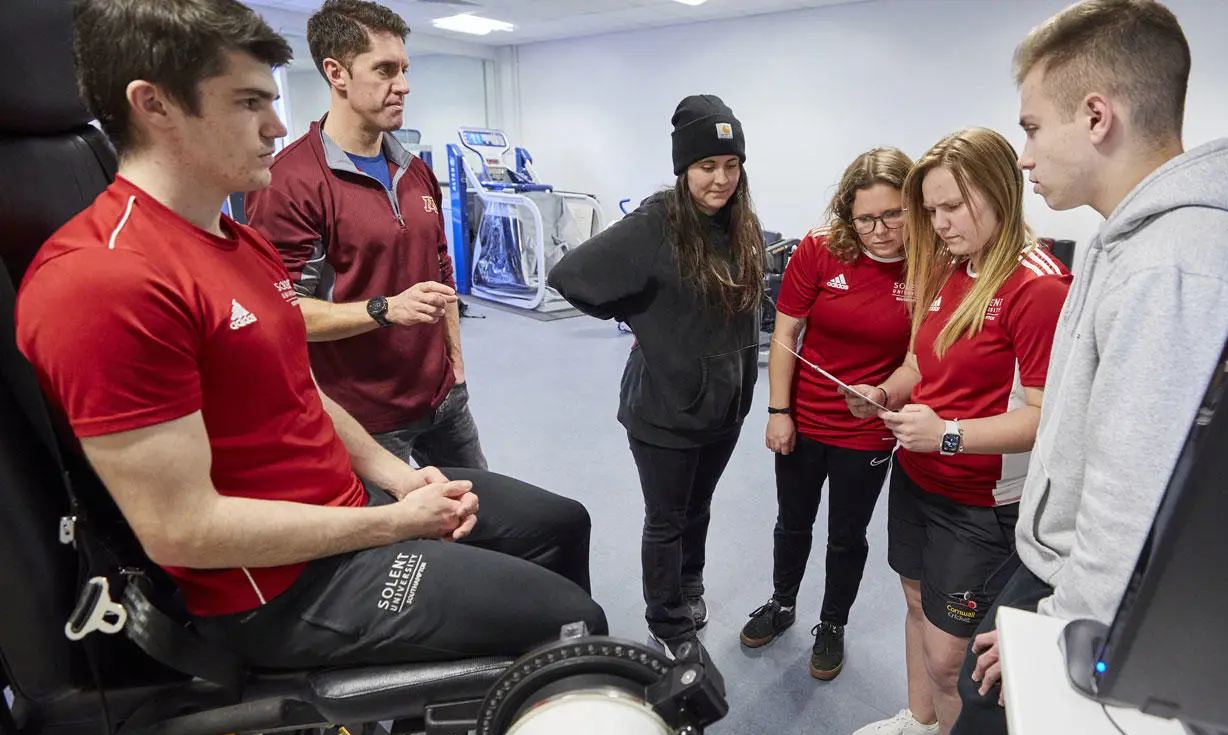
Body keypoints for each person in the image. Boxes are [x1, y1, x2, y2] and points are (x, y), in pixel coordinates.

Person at [16, 0, 606, 670]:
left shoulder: (235, 241)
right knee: (573, 621)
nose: (275, 126)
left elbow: (297, 387)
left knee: (558, 524)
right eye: (248, 103)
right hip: (279, 589)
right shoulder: (101, 279)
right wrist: (392, 523)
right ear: (154, 106)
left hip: (348, 506)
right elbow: (184, 530)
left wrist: (398, 479)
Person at [945, 2, 1228, 735]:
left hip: (1083, 592)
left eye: (1032, 127)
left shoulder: (1175, 257)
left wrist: (1060, 628)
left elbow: (1132, 471)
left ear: (1095, 115)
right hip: (1063, 565)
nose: (1024, 153)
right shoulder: (1135, 235)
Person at [847, 128, 1072, 735]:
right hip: (919, 477)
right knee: (916, 604)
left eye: (953, 208)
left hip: (981, 503)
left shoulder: (1038, 286)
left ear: (1000, 192)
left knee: (953, 662)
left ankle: (942, 725)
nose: (939, 224)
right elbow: (923, 363)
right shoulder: (950, 268)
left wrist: (946, 434)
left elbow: (1046, 417)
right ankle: (920, 723)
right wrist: (886, 393)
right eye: (931, 210)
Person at [547, 95, 763, 657]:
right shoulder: (658, 221)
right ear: (683, 168)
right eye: (706, 167)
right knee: (666, 519)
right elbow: (571, 275)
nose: (721, 180)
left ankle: (689, 587)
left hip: (725, 403)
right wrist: (636, 313)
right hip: (665, 406)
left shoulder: (740, 223)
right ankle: (667, 622)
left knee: (700, 507)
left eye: (731, 165)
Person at [246, 0, 487, 471]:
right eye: (385, 70)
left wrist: (455, 365)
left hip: (443, 399)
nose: (403, 85)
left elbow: (442, 272)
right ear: (337, 73)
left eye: (404, 69)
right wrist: (385, 309)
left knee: (479, 517)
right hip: (365, 418)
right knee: (396, 538)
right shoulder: (291, 182)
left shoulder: (414, 170)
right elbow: (280, 314)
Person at [739, 148, 914, 682]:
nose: (880, 230)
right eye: (866, 218)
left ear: (914, 208)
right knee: (792, 523)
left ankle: (832, 624)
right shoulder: (819, 249)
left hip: (868, 428)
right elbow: (786, 336)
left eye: (892, 215)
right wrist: (777, 412)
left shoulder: (930, 261)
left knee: (846, 535)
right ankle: (783, 602)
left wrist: (883, 393)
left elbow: (920, 357)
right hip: (805, 419)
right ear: (848, 214)